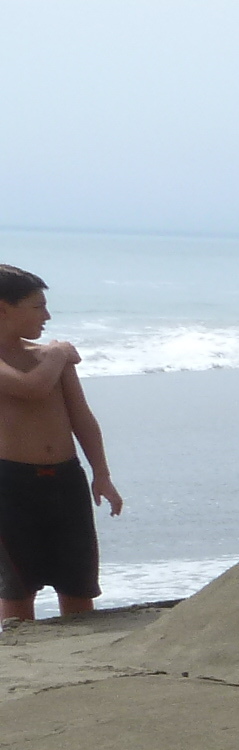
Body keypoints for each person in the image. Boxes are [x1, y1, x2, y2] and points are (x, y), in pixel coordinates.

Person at [0, 267, 122, 624]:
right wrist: (57, 354)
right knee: (18, 588)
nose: (47, 316)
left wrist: (102, 474)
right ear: (3, 309)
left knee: (78, 582)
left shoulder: (50, 357)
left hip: (66, 479)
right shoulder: (53, 358)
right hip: (10, 484)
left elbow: (82, 417)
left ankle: (82, 650)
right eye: (38, 307)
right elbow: (30, 388)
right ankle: (23, 653)